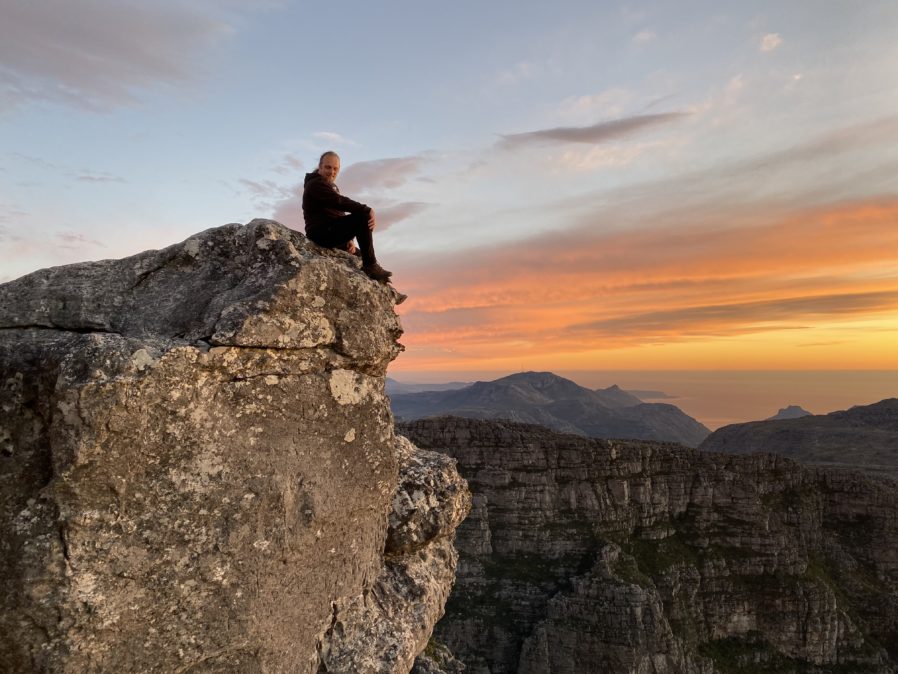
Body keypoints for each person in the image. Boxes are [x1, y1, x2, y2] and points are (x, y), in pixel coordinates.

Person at [302, 151, 393, 282]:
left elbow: (337, 212)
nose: (331, 172)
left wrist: (348, 239)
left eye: (335, 169)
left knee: (361, 255)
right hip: (321, 233)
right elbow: (338, 201)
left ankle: (386, 288)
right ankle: (371, 266)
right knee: (363, 216)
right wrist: (366, 209)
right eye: (328, 167)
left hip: (330, 230)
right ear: (320, 166)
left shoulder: (327, 184)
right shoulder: (315, 184)